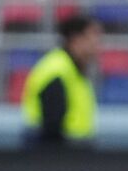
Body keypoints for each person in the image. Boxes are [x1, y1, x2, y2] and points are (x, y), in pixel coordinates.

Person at [20, 13, 102, 148]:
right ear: (76, 39)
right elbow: (52, 127)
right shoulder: (56, 71)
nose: (97, 44)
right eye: (93, 37)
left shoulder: (74, 69)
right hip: (60, 156)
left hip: (73, 153)